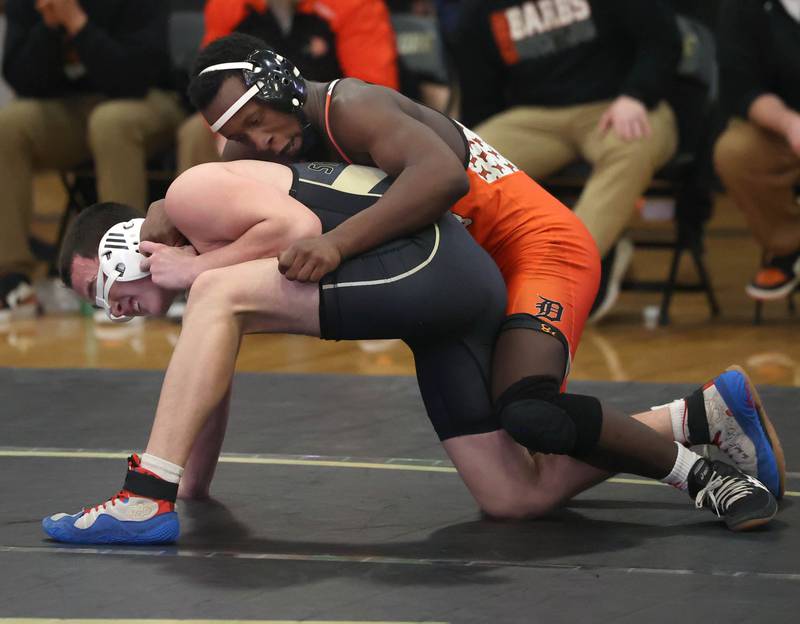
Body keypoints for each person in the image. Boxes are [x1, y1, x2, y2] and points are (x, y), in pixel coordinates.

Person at [178, 34, 785, 509]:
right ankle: (702, 415)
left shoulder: (350, 106)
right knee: (512, 495)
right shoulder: (254, 147)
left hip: (539, 248)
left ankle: (703, 478)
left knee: (531, 412)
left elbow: (443, 179)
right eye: (240, 134)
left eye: (259, 119)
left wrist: (335, 245)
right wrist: (165, 212)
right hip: (464, 280)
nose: (261, 141)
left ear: (281, 86)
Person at [43, 157, 782, 544]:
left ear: (131, 243)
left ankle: (143, 498)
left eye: (103, 285)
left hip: (440, 265)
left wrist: (199, 272)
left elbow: (294, 223)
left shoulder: (195, 193)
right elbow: (208, 384)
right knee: (512, 496)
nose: (113, 309)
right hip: (443, 295)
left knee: (215, 296)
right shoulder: (212, 288)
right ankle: (695, 418)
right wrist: (194, 485)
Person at [451, 0, 682, 322]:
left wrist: (637, 95)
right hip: (535, 117)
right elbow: (481, 97)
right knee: (465, 158)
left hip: (618, 104)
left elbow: (663, 41)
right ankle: (461, 282)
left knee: (632, 146)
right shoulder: (479, 12)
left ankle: (561, 273)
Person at [0, 0, 186, 318]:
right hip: (68, 108)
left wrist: (77, 24)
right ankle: (13, 278)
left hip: (148, 99)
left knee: (110, 123)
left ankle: (130, 267)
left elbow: (133, 77)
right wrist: (48, 28)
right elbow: (21, 79)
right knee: (9, 125)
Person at [177, 0, 399, 174]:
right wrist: (236, 132)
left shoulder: (353, 4)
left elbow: (372, 83)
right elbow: (209, 84)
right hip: (257, 112)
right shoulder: (227, 6)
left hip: (326, 109)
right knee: (196, 131)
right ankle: (197, 214)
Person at [713, 0, 800, 301]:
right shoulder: (742, 8)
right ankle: (789, 247)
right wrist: (789, 123)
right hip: (780, 129)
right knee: (736, 151)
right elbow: (741, 87)